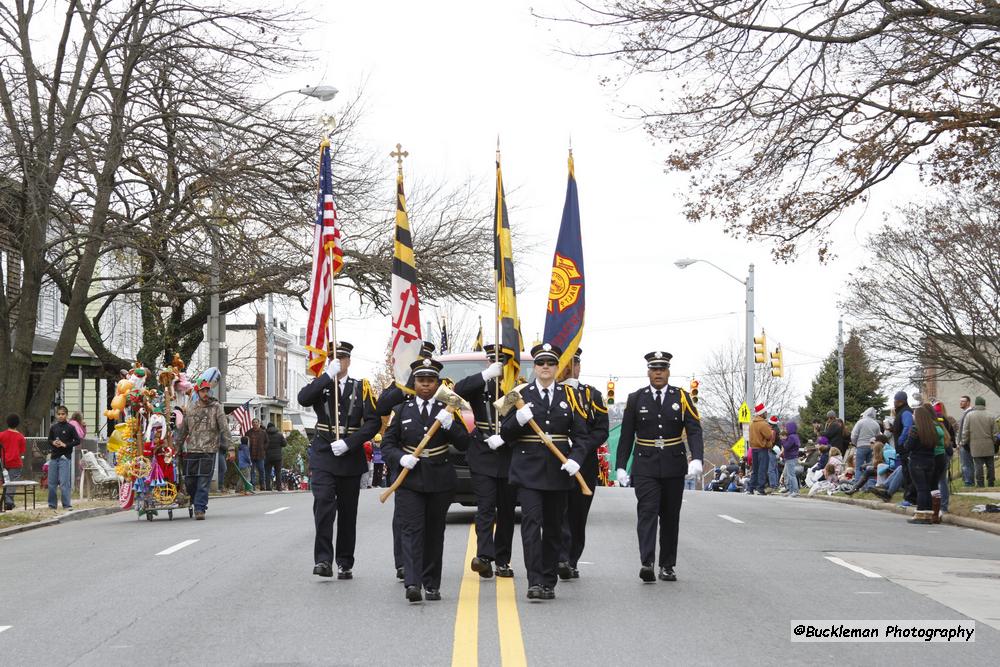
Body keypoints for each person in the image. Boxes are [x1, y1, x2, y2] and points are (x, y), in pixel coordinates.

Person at [501, 342, 591, 600]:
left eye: (550, 363)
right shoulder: (518, 394)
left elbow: (582, 436)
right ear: (535, 366)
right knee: (531, 524)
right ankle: (534, 580)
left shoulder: (570, 396)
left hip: (558, 469)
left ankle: (549, 580)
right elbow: (504, 433)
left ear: (556, 367)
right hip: (528, 469)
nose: (545, 368)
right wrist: (518, 420)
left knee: (553, 527)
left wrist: (576, 459)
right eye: (540, 363)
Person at [381, 357, 470, 603]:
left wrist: (451, 425)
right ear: (415, 382)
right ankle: (412, 582)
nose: (426, 385)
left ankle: (431, 584)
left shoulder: (448, 408)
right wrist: (400, 458)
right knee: (410, 530)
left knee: (433, 532)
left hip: (440, 478)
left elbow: (464, 444)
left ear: (437, 383)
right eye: (421, 380)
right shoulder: (401, 410)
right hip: (410, 478)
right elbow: (388, 444)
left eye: (431, 381)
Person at [615, 350, 704, 584]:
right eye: (654, 369)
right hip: (645, 464)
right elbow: (626, 435)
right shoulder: (636, 399)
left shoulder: (682, 397)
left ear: (668, 372)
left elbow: (694, 429)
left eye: (662, 369)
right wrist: (621, 466)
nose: (658, 373)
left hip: (673, 464)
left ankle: (667, 565)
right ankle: (647, 562)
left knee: (670, 516)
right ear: (648, 372)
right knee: (647, 512)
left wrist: (697, 458)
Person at [298, 341, 380, 580]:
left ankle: (345, 561)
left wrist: (351, 443)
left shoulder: (361, 387)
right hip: (324, 454)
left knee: (347, 513)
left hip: (350, 457)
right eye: (334, 357)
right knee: (323, 505)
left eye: (342, 358)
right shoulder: (322, 385)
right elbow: (303, 398)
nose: (339, 361)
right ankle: (323, 560)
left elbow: (373, 422)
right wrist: (327, 375)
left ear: (349, 361)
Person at [375, 340, 436, 582]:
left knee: (430, 517)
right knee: (402, 515)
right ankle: (403, 563)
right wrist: (406, 387)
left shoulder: (439, 386)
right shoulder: (400, 386)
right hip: (403, 458)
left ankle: (426, 562)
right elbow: (381, 405)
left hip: (432, 461)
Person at [454, 344, 516, 579]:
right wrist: (486, 375)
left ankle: (503, 559)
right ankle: (484, 557)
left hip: (508, 452)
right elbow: (458, 390)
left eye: (501, 361)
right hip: (482, 450)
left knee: (507, 510)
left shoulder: (516, 386)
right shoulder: (480, 383)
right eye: (492, 360)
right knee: (486, 507)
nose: (496, 364)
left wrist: (505, 436)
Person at [556, 347, 609, 580]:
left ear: (578, 367)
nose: (570, 369)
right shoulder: (551, 393)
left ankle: (573, 558)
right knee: (557, 512)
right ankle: (560, 558)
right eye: (565, 364)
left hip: (583, 464)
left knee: (578, 514)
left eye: (573, 364)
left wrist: (581, 448)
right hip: (554, 462)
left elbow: (602, 430)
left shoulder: (592, 396)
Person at [175, 381, 235, 519]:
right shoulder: (191, 408)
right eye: (203, 391)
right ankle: (196, 500)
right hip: (192, 450)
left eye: (207, 390)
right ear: (198, 392)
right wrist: (176, 448)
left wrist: (231, 448)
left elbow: (225, 429)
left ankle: (200, 509)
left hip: (209, 449)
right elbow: (183, 431)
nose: (205, 393)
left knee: (203, 481)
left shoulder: (216, 407)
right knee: (190, 481)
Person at [902, 404, 947, 524]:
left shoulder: (915, 429)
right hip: (930, 461)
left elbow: (908, 446)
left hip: (917, 461)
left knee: (921, 489)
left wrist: (907, 441)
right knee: (927, 488)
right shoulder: (933, 430)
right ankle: (928, 514)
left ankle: (921, 514)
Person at [46, 405, 81, 510]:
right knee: (52, 483)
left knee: (64, 482)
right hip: (54, 457)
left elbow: (77, 440)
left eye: (63, 414)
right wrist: (54, 442)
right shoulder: (53, 427)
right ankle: (52, 505)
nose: (61, 416)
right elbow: (49, 440)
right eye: (59, 414)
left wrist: (65, 445)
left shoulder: (70, 427)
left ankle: (66, 504)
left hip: (65, 458)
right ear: (56, 415)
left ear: (66, 415)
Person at [961, 396, 998, 487]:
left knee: (978, 465)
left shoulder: (969, 415)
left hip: (975, 445)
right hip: (989, 444)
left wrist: (964, 442)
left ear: (976, 404)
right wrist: (996, 442)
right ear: (984, 404)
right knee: (990, 464)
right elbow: (995, 432)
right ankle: (991, 483)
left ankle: (980, 483)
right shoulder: (991, 415)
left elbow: (965, 431)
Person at [890, 392, 916, 507]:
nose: (894, 403)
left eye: (895, 400)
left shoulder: (905, 412)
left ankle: (910, 498)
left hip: (905, 448)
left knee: (908, 473)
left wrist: (901, 440)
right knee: (906, 472)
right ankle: (909, 497)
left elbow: (908, 427)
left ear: (899, 401)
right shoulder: (902, 411)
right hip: (903, 448)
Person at [1, 414, 27, 510]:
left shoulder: (1, 435)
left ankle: (7, 501)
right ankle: (9, 501)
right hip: (15, 463)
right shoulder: (20, 437)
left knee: (5, 482)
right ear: (18, 424)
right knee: (12, 483)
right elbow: (21, 451)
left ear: (7, 423)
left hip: (3, 463)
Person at [748, 403, 774, 495]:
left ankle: (750, 488)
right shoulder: (763, 424)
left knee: (755, 469)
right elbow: (769, 435)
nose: (766, 413)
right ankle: (760, 488)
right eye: (765, 412)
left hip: (753, 449)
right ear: (762, 413)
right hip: (762, 449)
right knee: (762, 469)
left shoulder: (751, 423)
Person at [851, 407, 881, 476]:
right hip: (872, 447)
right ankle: (869, 484)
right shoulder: (876, 424)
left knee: (859, 467)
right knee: (870, 467)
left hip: (861, 446)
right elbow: (878, 437)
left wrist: (855, 443)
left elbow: (853, 435)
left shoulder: (860, 422)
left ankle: (858, 484)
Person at [956, 395, 975, 487]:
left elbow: (965, 430)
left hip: (966, 443)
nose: (961, 403)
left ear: (968, 402)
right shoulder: (966, 412)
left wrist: (961, 442)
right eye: (960, 401)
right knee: (967, 463)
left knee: (966, 463)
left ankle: (968, 482)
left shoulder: (969, 413)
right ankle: (968, 481)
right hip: (965, 442)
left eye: (963, 401)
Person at [781, 421, 801, 497]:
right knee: (789, 475)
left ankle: (795, 491)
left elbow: (786, 446)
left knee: (791, 475)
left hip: (791, 457)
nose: (786, 429)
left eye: (787, 428)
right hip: (791, 457)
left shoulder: (792, 437)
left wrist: (782, 440)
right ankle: (791, 490)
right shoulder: (794, 436)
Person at [247, 418, 267, 490]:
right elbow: (245, 443)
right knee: (252, 471)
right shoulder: (248, 432)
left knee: (261, 470)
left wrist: (263, 448)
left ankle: (262, 485)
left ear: (259, 423)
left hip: (260, 455)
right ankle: (253, 486)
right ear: (252, 424)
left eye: (256, 422)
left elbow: (267, 442)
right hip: (251, 455)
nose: (255, 424)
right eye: (253, 422)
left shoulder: (263, 432)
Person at [767, 415, 780, 490]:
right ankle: (776, 484)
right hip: (777, 450)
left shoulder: (773, 431)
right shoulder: (777, 429)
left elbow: (771, 441)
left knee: (771, 469)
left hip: (772, 450)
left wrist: (768, 446)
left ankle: (773, 484)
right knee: (775, 468)